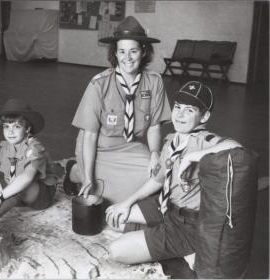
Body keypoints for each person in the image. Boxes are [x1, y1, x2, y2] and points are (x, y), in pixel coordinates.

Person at [105, 81, 241, 265]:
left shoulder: (204, 141)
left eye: (190, 110)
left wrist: (193, 157)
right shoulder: (171, 141)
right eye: (178, 107)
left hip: (187, 224)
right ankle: (162, 234)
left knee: (117, 251)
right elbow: (158, 180)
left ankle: (188, 247)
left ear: (204, 116)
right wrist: (126, 202)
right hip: (166, 207)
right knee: (116, 218)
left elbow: (237, 148)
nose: (180, 114)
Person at [64, 16, 172, 204]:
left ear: (143, 51)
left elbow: (154, 126)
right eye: (122, 51)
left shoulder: (154, 81)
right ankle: (76, 172)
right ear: (115, 53)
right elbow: (89, 135)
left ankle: (86, 173)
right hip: (96, 146)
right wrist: (88, 177)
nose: (127, 58)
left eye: (133, 51)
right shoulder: (100, 83)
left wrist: (155, 153)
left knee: (156, 176)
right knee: (102, 192)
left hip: (128, 146)